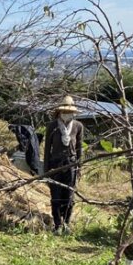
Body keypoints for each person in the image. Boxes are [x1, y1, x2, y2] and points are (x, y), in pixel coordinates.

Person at [43, 96, 84, 235]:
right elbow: (47, 149)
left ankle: (66, 223)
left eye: (70, 112)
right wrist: (46, 170)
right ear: (60, 111)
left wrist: (79, 167)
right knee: (55, 196)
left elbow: (79, 148)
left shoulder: (78, 126)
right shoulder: (53, 126)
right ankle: (57, 225)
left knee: (69, 196)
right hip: (55, 165)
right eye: (65, 111)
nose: (67, 114)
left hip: (71, 164)